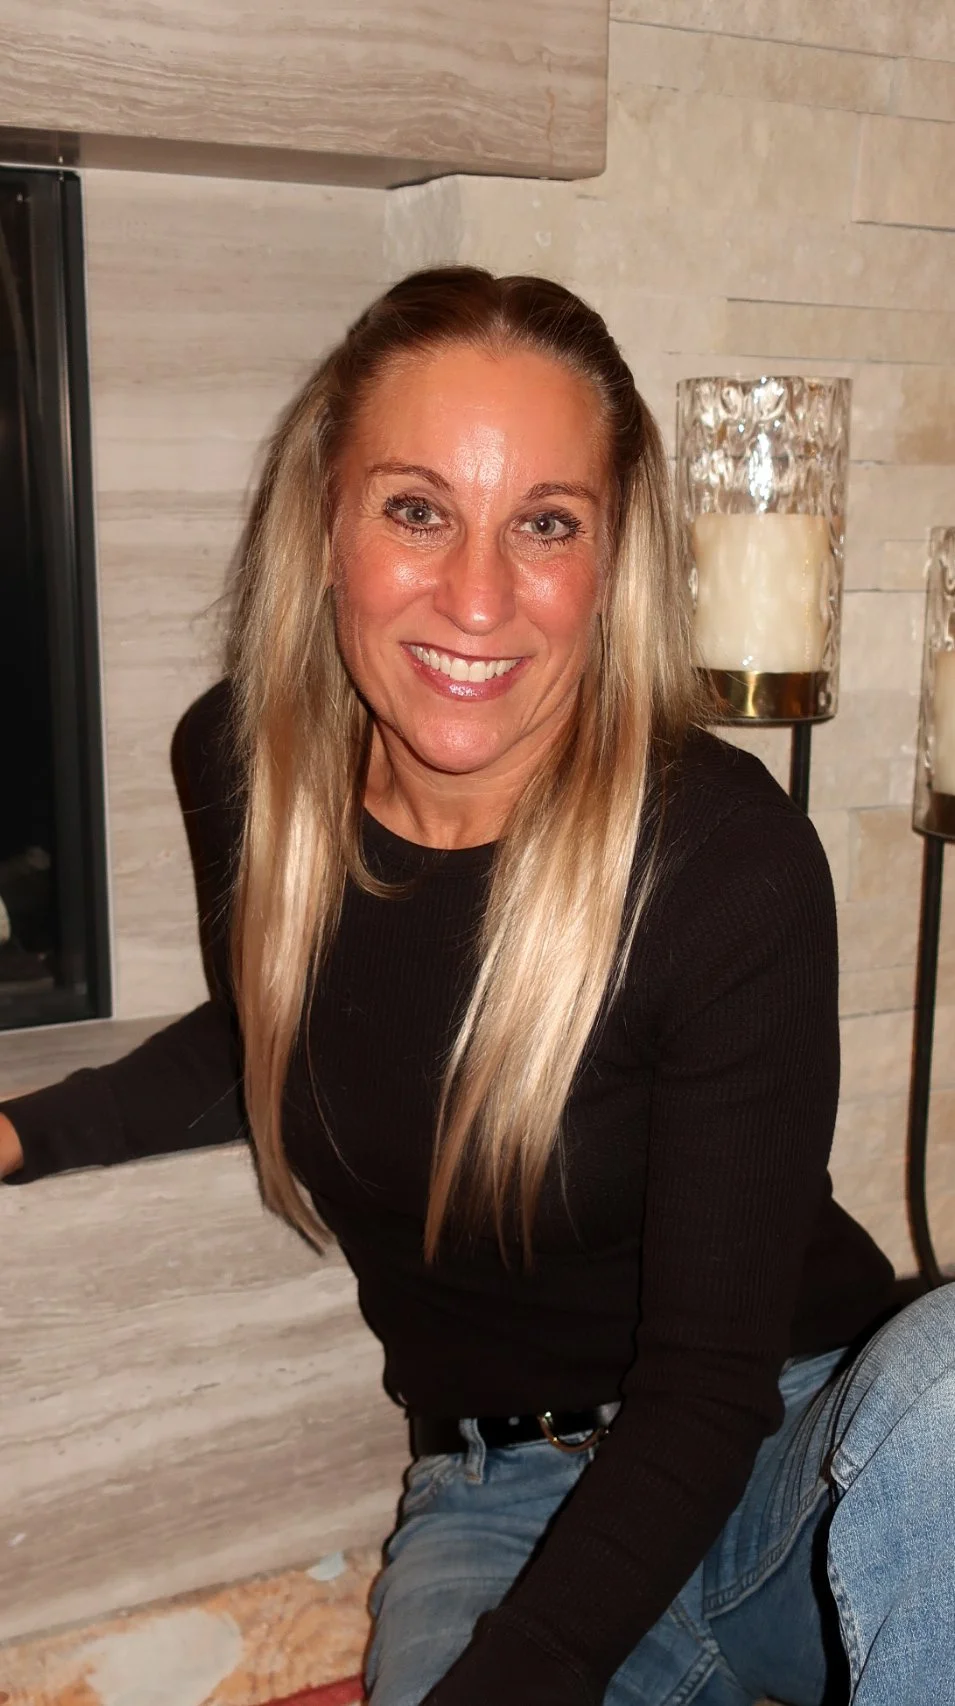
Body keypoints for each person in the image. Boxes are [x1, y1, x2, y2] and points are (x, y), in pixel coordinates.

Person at [1, 267, 953, 1706]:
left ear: (612, 558)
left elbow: (707, 1386)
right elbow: (282, 1010)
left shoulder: (721, 857)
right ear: (326, 516)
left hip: (790, 1460)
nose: (476, 593)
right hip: (496, 1503)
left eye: (545, 524)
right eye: (417, 507)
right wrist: (27, 1126)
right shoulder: (243, 772)